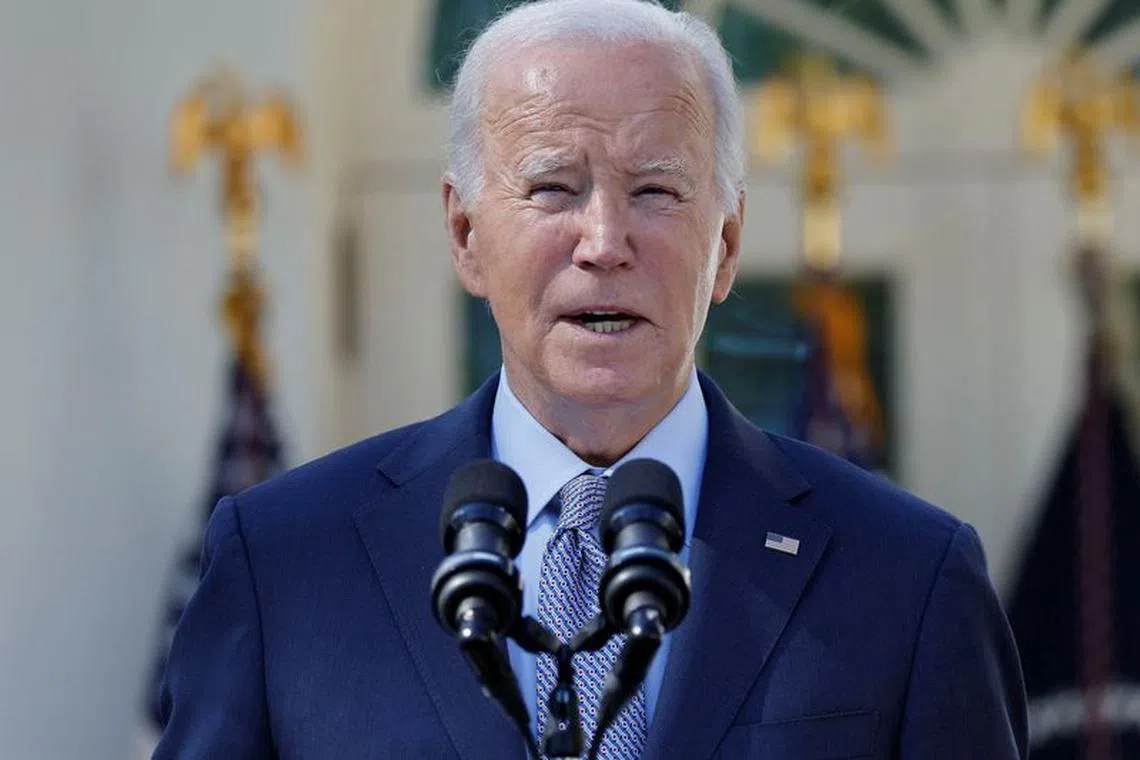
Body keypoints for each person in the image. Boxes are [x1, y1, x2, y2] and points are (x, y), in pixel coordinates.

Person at [154, 0, 1028, 757]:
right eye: (554, 188)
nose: (605, 241)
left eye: (655, 191)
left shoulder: (908, 576)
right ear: (464, 234)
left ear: (725, 245)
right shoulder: (286, 562)